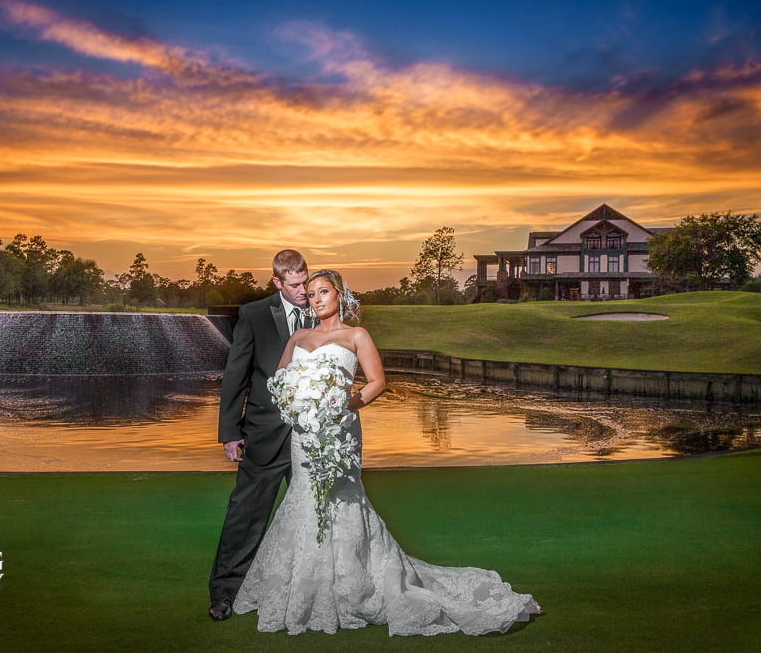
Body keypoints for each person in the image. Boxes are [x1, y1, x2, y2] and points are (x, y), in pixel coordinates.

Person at [233, 269, 541, 636]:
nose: (316, 299)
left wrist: (346, 404)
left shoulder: (356, 335)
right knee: (303, 499)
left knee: (342, 500)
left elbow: (378, 382)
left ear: (340, 295)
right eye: (311, 294)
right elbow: (280, 380)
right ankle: (306, 587)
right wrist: (295, 405)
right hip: (303, 435)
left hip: (339, 431)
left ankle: (354, 585)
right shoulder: (298, 336)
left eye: (323, 292)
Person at [208, 249, 312, 621]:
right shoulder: (253, 315)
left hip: (313, 438)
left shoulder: (323, 310)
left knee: (321, 514)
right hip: (265, 434)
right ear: (277, 282)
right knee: (245, 516)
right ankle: (224, 593)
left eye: (306, 282)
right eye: (296, 285)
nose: (304, 291)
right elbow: (236, 375)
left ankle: (317, 591)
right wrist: (230, 432)